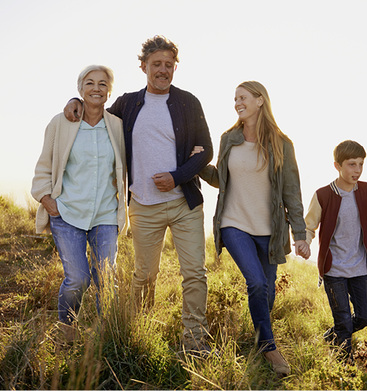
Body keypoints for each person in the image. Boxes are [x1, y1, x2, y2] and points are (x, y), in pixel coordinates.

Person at [63, 35, 213, 354]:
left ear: (175, 67)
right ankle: (141, 330)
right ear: (143, 66)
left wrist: (177, 176)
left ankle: (194, 339)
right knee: (144, 275)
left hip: (184, 204)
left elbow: (206, 151)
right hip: (143, 206)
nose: (162, 70)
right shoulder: (128, 103)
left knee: (195, 274)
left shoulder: (188, 102)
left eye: (168, 65)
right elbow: (96, 114)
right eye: (156, 64)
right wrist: (74, 103)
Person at [198, 81, 309, 376]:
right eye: (235, 98)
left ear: (260, 101)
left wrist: (300, 235)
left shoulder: (281, 143)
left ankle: (259, 337)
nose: (237, 102)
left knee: (268, 292)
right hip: (234, 223)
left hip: (270, 231)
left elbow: (291, 192)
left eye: (243, 97)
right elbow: (221, 178)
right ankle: (270, 348)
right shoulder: (228, 138)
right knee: (257, 283)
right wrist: (196, 163)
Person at [31, 65, 127, 341]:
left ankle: (106, 339)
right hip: (67, 212)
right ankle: (67, 333)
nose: (96, 88)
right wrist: (47, 200)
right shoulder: (60, 123)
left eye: (102, 84)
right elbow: (44, 166)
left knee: (107, 280)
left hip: (105, 214)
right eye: (89, 83)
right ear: (80, 89)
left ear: (110, 91)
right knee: (78, 279)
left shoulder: (118, 126)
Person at [304, 140, 367, 361]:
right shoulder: (323, 195)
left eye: (361, 164)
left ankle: (332, 337)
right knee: (343, 319)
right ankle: (345, 366)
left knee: (365, 317)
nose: (358, 170)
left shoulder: (365, 190)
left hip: (359, 267)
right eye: (352, 164)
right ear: (337, 166)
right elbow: (309, 226)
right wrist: (304, 242)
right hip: (334, 270)